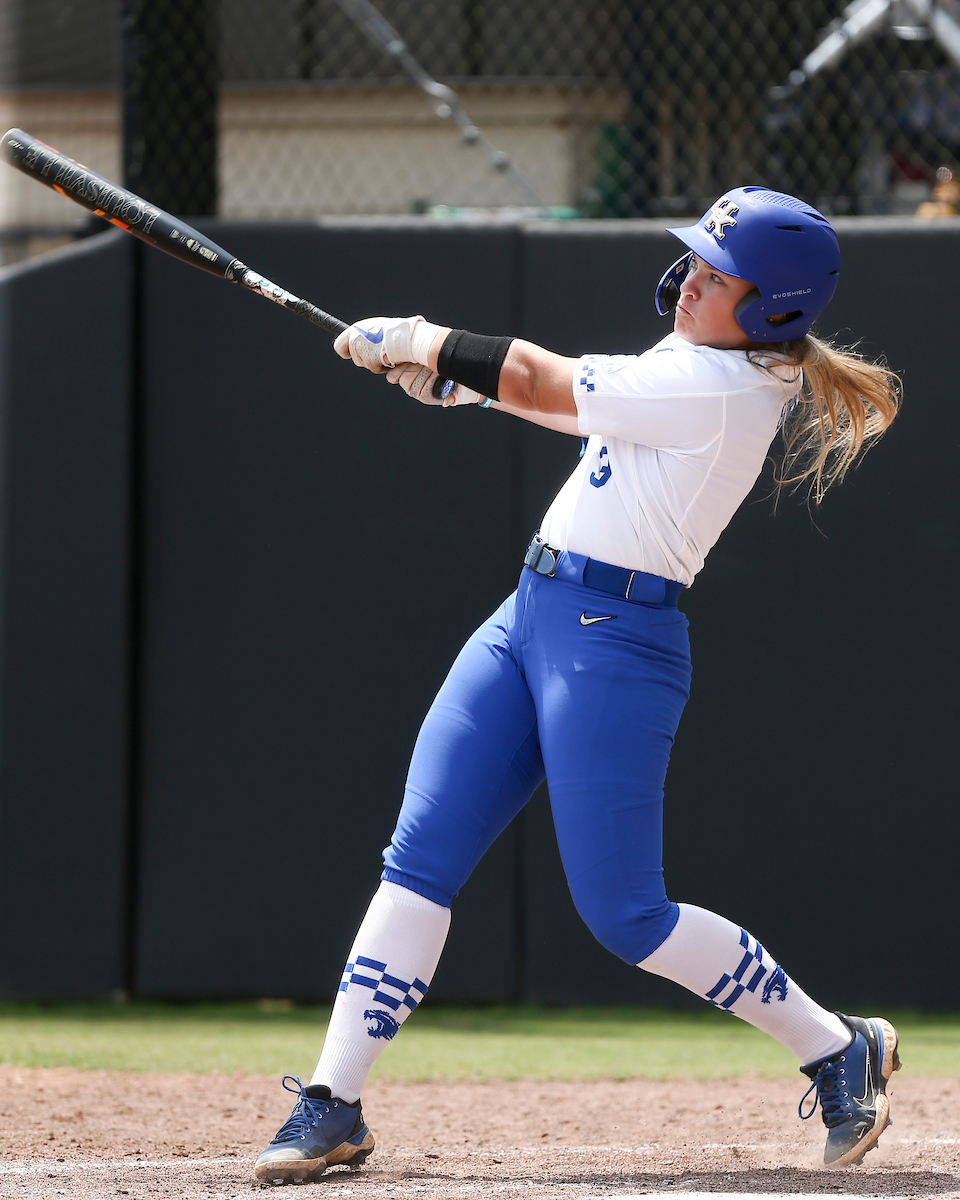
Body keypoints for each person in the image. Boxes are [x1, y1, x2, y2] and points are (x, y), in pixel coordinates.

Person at [252, 187, 901, 1187]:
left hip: (615, 642)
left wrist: (430, 340)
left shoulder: (725, 387)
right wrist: (455, 385)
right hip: (531, 613)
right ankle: (332, 1102)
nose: (691, 280)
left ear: (773, 304)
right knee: (418, 857)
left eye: (717, 275)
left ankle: (835, 1045)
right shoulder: (705, 360)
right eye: (694, 260)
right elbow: (564, 406)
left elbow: (540, 375)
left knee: (626, 916)